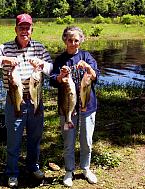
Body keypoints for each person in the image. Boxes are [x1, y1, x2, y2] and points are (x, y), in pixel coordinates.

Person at [0, 13, 53, 188]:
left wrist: (42, 65)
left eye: (27, 28)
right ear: (15, 29)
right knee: (14, 139)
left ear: (32, 30)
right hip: (14, 101)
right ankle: (12, 173)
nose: (24, 31)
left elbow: (52, 70)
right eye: (21, 27)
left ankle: (33, 167)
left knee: (35, 138)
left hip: (36, 100)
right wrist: (3, 59)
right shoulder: (4, 48)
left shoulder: (39, 48)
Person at [50, 26, 100, 187]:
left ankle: (86, 168)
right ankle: (69, 170)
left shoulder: (87, 56)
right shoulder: (60, 60)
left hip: (88, 106)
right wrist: (60, 76)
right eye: (70, 40)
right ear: (65, 40)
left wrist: (88, 67)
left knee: (86, 140)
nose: (73, 43)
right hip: (67, 108)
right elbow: (52, 80)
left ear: (81, 41)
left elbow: (95, 76)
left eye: (76, 40)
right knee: (68, 142)